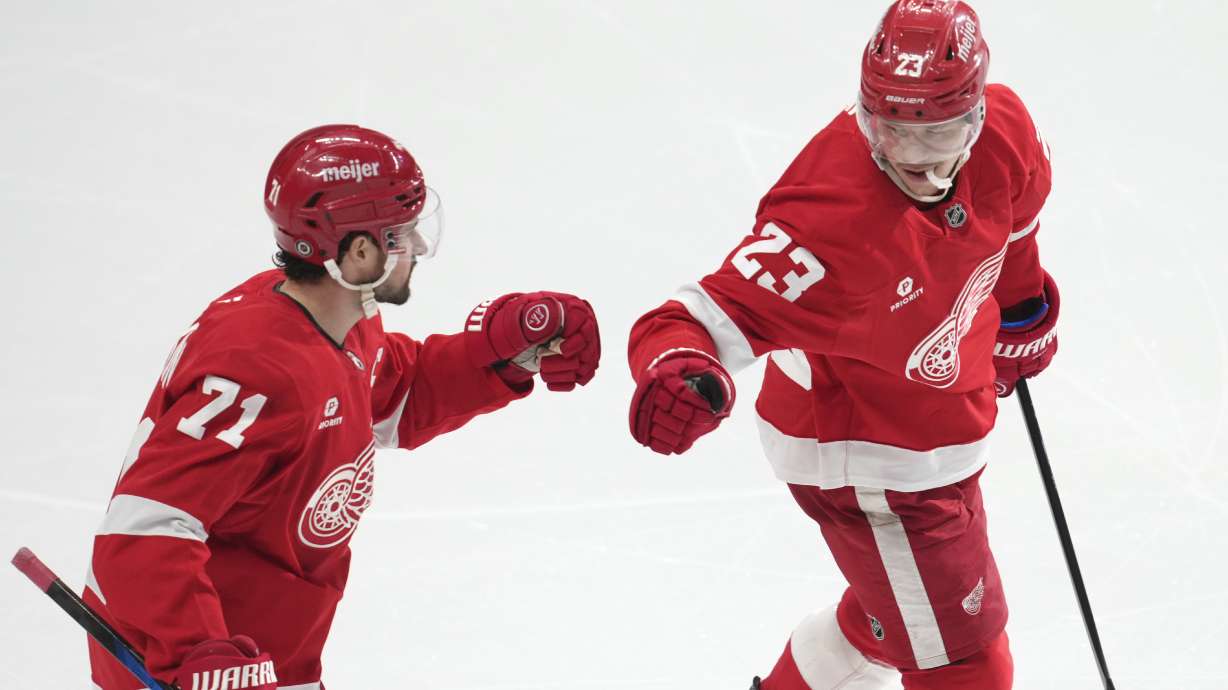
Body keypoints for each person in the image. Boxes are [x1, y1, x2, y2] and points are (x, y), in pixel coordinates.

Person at [626, 2, 1057, 688]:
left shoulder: (1005, 134)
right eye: (893, 133)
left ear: (975, 114)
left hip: (936, 423)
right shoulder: (828, 219)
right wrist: (679, 367)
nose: (914, 161)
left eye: (937, 136)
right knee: (962, 657)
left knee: (892, 622)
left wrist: (1020, 310)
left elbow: (1015, 229)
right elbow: (693, 316)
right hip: (871, 456)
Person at [84, 124, 601, 690]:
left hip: (270, 657)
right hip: (204, 671)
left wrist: (501, 355)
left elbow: (384, 393)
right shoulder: (254, 368)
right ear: (359, 252)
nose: (420, 247)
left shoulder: (337, 319)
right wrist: (197, 652)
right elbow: (145, 527)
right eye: (403, 234)